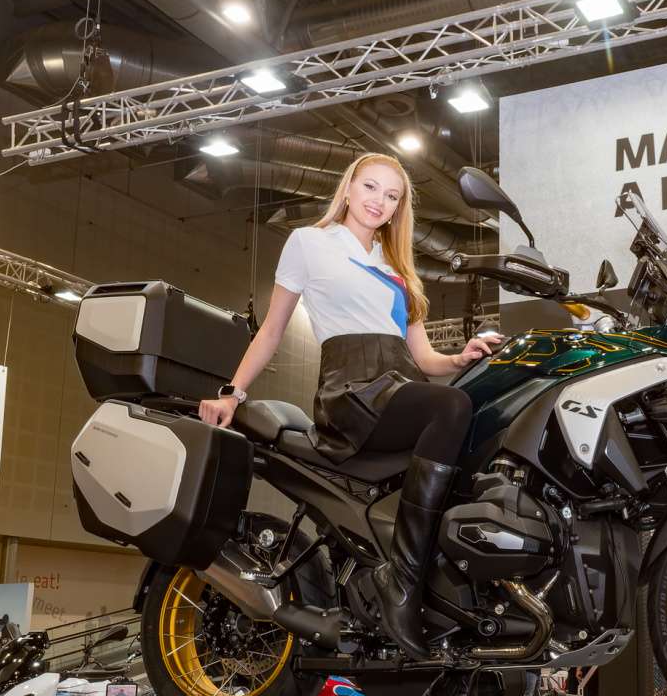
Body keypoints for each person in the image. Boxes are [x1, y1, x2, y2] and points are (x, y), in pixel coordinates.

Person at [198, 152, 501, 659]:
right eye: (371, 187)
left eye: (392, 196)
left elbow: (423, 357)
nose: (379, 201)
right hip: (352, 390)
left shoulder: (399, 269)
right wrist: (233, 392)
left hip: (399, 384)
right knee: (451, 409)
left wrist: (460, 358)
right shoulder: (309, 243)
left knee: (471, 413)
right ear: (348, 187)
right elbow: (271, 330)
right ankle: (401, 579)